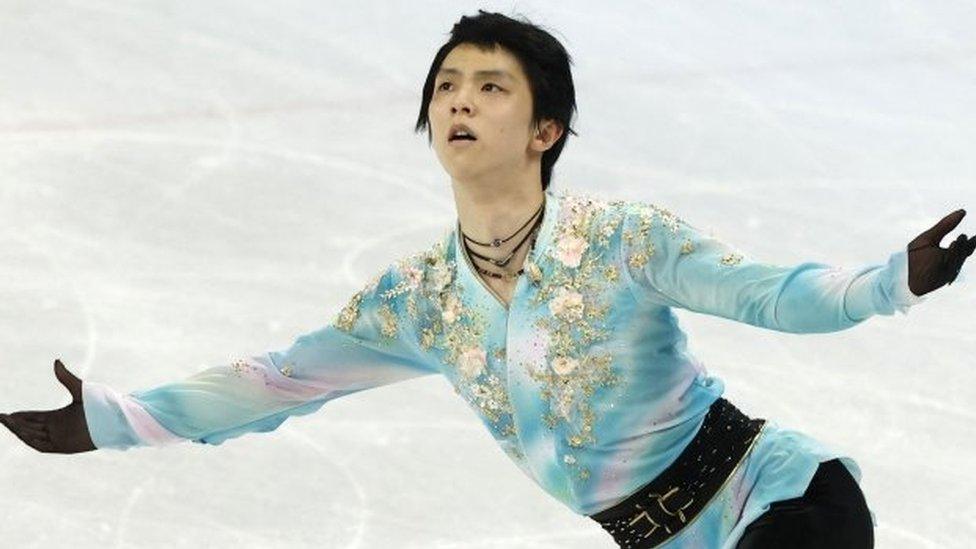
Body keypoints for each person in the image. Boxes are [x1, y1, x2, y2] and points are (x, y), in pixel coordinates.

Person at [2, 10, 973, 549]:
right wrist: (112, 420)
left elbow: (768, 294)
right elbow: (279, 379)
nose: (461, 99)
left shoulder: (619, 238)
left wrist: (892, 281)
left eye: (490, 85)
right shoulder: (419, 303)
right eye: (447, 86)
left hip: (783, 504)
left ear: (545, 130)